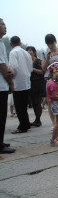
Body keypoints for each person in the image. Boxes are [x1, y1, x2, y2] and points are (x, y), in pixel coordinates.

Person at [9, 36, 33, 134]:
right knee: (24, 105)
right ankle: (26, 123)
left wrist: (10, 78)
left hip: (17, 82)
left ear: (11, 44)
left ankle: (22, 126)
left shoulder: (13, 52)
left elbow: (14, 67)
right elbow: (30, 68)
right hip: (26, 82)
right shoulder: (26, 53)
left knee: (19, 106)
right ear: (20, 42)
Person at [0, 18, 15, 154]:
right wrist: (11, 82)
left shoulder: (2, 43)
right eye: (2, 24)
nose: (5, 27)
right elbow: (2, 65)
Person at [26, 46, 44, 127]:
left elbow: (42, 71)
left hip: (38, 83)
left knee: (37, 102)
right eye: (28, 50)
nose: (29, 52)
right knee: (33, 102)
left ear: (34, 52)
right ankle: (36, 120)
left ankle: (38, 120)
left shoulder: (38, 61)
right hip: (29, 83)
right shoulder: (25, 61)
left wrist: (33, 69)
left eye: (30, 50)